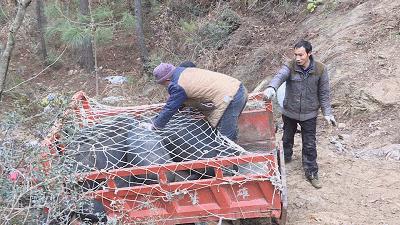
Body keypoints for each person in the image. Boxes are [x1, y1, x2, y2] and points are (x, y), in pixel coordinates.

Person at [263, 40, 336, 189]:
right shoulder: (290, 66)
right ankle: (285, 158)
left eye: (301, 55)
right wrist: (272, 87)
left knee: (309, 144)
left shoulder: (321, 69)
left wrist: (327, 113)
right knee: (286, 139)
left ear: (309, 53)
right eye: (295, 54)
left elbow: (324, 93)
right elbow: (279, 76)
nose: (297, 58)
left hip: (309, 114)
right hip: (290, 111)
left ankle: (311, 172)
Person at [142, 63, 247, 142]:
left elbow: (170, 107)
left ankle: (227, 168)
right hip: (236, 88)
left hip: (230, 97)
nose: (164, 86)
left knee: (225, 138)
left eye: (163, 83)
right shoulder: (184, 71)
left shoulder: (177, 85)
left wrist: (156, 125)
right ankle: (232, 155)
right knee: (226, 130)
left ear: (167, 79)